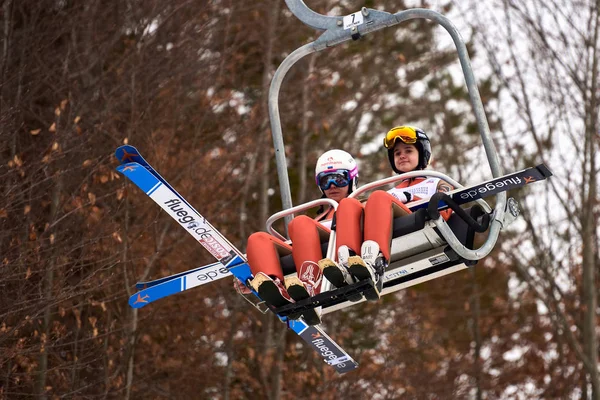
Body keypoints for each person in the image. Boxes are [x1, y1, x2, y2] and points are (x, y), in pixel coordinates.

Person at [318, 126, 453, 301]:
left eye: (408, 151)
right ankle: (348, 264)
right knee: (349, 203)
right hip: (390, 230)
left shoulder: (436, 182)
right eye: (397, 153)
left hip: (422, 225)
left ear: (422, 153)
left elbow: (447, 207)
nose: (402, 155)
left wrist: (411, 197)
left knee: (378, 197)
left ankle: (375, 263)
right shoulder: (391, 191)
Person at [246, 149, 361, 325]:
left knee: (300, 222)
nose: (332, 185)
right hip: (314, 252)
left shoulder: (361, 205)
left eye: (339, 178)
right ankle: (273, 286)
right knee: (258, 238)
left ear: (352, 179)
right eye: (325, 180)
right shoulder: (318, 219)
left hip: (344, 247)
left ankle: (310, 283)